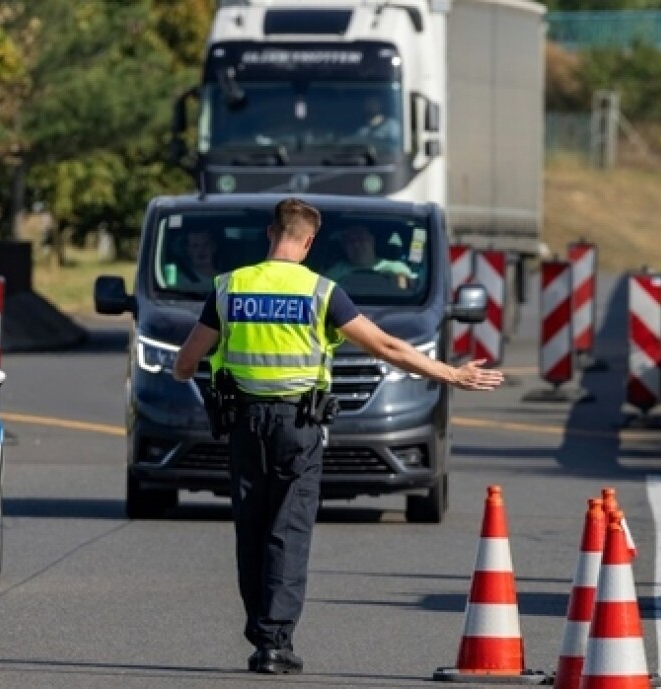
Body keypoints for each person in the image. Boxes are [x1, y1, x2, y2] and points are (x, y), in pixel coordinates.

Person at [171, 198, 504, 674]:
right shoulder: (322, 292)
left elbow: (186, 363)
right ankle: (274, 643)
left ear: (270, 233)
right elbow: (387, 346)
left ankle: (261, 628)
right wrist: (451, 374)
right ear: (308, 242)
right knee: (289, 528)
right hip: (298, 427)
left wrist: (199, 374)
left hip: (244, 425)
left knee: (252, 527)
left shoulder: (228, 287)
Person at [324, 224, 414, 287]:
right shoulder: (334, 272)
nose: (356, 244)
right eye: (350, 241)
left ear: (372, 241)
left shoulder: (396, 268)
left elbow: (404, 290)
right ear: (344, 246)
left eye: (361, 238)